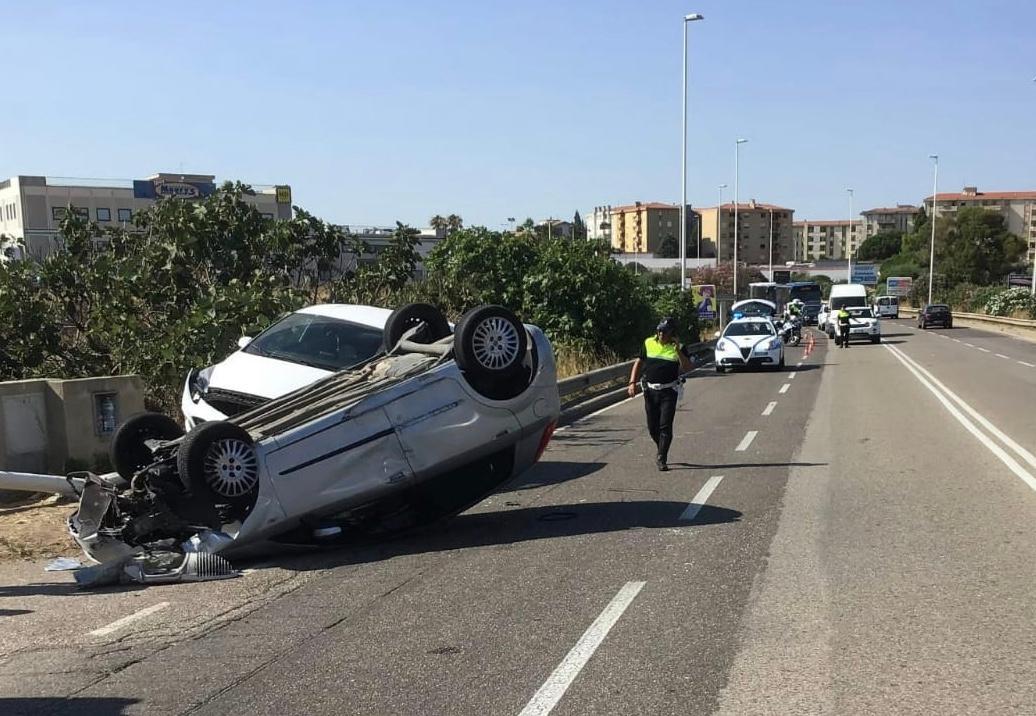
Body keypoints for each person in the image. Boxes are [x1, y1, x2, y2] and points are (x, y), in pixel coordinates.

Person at [627, 317, 694, 471]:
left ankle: (661, 458)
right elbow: (638, 362)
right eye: (659, 330)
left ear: (672, 333)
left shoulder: (680, 347)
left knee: (665, 426)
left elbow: (688, 367)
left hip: (669, 391)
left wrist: (678, 350)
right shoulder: (648, 342)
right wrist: (632, 383)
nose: (661, 334)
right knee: (652, 427)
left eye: (665, 331)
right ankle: (662, 446)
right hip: (650, 391)